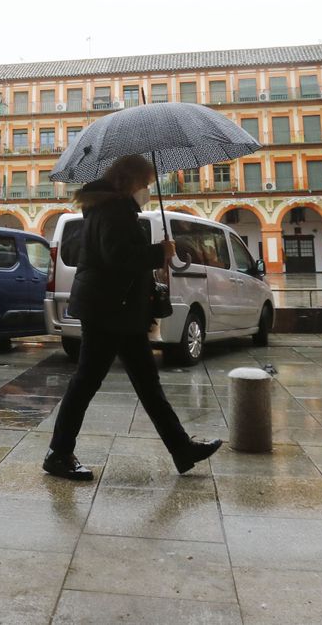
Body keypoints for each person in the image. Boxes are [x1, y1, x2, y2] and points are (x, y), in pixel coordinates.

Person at [43, 154, 222, 481]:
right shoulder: (113, 209)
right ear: (129, 180)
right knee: (87, 381)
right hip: (108, 311)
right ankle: (58, 454)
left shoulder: (110, 207)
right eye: (145, 182)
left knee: (146, 384)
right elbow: (117, 256)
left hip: (119, 310)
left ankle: (181, 448)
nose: (147, 189)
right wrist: (159, 252)